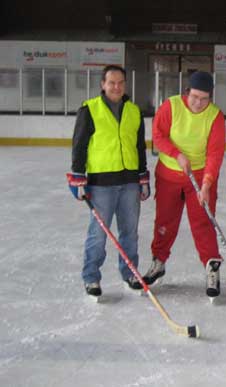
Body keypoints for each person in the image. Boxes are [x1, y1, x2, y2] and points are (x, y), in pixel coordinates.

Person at [67, 64, 149, 298]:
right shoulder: (89, 109)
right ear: (103, 84)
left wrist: (143, 176)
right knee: (99, 233)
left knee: (130, 232)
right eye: (111, 82)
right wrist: (78, 177)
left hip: (130, 181)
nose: (116, 86)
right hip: (101, 183)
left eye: (121, 82)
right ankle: (91, 277)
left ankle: (130, 272)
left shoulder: (134, 111)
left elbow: (139, 146)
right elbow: (79, 145)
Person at [142, 71, 226, 300]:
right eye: (195, 97)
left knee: (203, 222)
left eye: (204, 99)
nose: (199, 103)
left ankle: (211, 268)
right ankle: (158, 262)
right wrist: (176, 154)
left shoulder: (215, 116)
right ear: (187, 92)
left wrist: (207, 184)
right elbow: (158, 135)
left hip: (199, 178)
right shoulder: (171, 106)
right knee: (165, 221)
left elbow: (215, 154)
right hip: (169, 175)